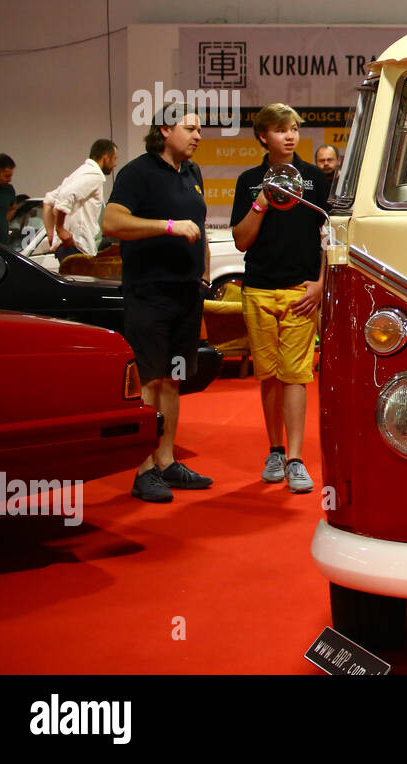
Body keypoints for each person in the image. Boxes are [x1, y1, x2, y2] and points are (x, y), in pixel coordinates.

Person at [101, 103, 214, 502]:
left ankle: (166, 461)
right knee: (150, 379)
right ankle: (143, 467)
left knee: (174, 377)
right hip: (150, 296)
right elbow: (111, 223)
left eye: (199, 129)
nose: (198, 136)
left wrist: (203, 274)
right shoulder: (137, 173)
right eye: (191, 128)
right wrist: (165, 226)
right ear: (166, 129)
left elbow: (197, 226)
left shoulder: (192, 173)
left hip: (187, 296)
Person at [231, 103, 329, 493]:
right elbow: (241, 240)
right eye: (280, 130)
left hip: (299, 293)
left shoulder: (315, 179)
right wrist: (262, 201)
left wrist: (320, 284)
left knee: (297, 375)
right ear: (262, 136)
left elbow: (330, 237)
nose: (290, 136)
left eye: (293, 129)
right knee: (269, 375)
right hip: (256, 289)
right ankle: (274, 449)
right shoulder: (249, 180)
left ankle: (296, 458)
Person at [43, 139, 118, 261]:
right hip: (77, 247)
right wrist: (60, 229)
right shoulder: (95, 174)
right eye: (115, 158)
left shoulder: (80, 172)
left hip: (68, 247)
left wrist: (52, 235)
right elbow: (66, 196)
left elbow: (48, 200)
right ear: (106, 157)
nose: (115, 164)